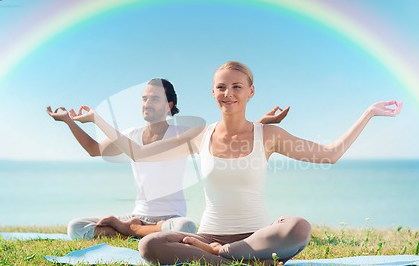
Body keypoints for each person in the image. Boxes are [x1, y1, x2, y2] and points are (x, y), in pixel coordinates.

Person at [71, 62, 402, 265]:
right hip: (210, 233)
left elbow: (330, 154)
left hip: (256, 235)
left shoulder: (268, 134)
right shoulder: (199, 135)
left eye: (236, 86)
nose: (228, 92)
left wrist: (368, 114)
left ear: (250, 92)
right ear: (213, 92)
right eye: (221, 86)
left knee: (298, 226)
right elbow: (140, 152)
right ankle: (233, 258)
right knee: (149, 245)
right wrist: (97, 119)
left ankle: (223, 256)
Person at [47, 78, 289, 240]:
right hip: (139, 215)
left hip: (170, 220)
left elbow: (225, 136)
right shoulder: (131, 134)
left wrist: (260, 124)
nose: (146, 103)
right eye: (144, 98)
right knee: (76, 227)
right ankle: (133, 229)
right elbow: (93, 149)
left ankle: (129, 231)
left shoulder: (181, 134)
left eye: (154, 99)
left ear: (169, 105)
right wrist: (68, 121)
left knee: (186, 228)